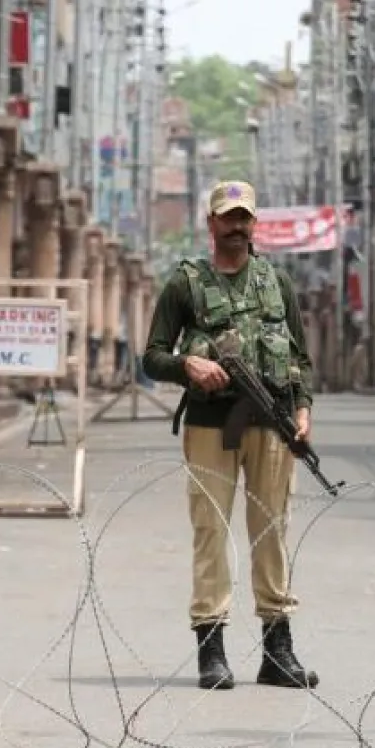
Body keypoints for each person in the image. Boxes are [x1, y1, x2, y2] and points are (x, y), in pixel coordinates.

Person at [141, 180, 319, 692]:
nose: (237, 227)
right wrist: (187, 364)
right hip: (209, 423)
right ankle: (211, 649)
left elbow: (300, 358)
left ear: (254, 224)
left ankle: (277, 652)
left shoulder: (276, 282)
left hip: (273, 424)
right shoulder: (186, 284)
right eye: (228, 218)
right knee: (211, 532)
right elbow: (152, 356)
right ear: (211, 223)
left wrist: (303, 410)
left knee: (272, 535)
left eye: (245, 218)